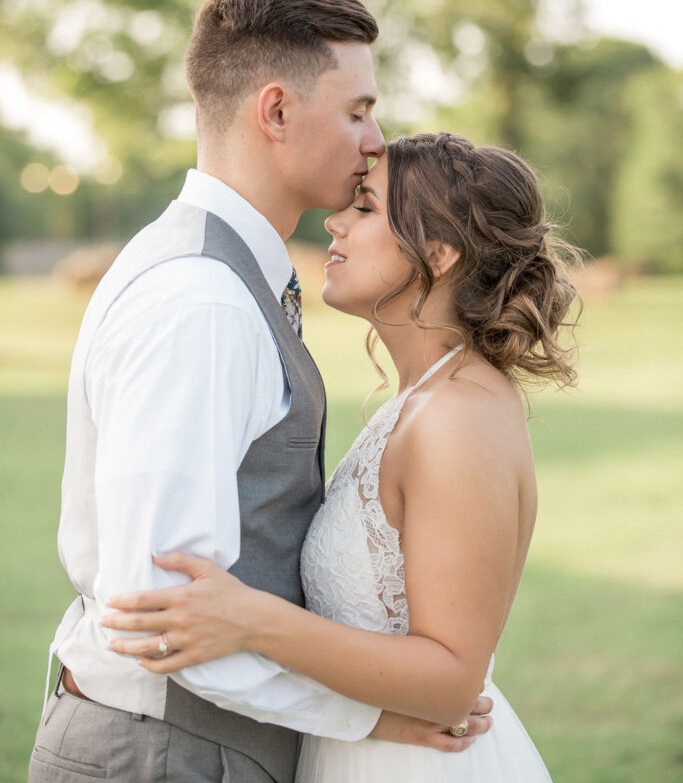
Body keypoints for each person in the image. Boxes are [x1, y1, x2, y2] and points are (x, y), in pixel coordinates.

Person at [28, 0, 493, 783]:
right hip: (166, 756)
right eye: (357, 111)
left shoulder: (209, 271)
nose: (374, 141)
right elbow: (166, 619)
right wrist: (375, 718)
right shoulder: (203, 303)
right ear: (275, 112)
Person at [103, 131, 580, 782]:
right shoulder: (423, 396)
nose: (333, 221)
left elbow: (449, 681)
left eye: (364, 208)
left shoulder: (459, 415)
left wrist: (253, 621)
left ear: (436, 254)